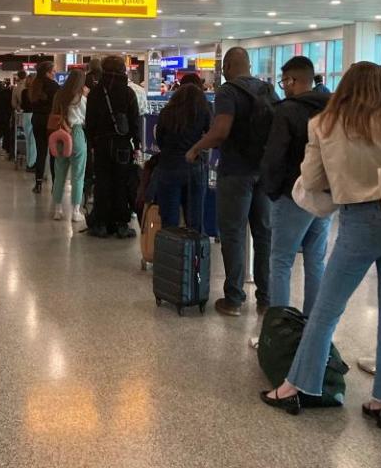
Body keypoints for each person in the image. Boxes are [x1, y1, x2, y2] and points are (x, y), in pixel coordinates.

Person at [260, 61, 381, 427]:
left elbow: (313, 179)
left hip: (358, 222)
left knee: (327, 311)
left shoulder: (325, 126)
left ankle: (297, 385)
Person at [186, 47, 279, 316]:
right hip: (263, 171)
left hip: (236, 172)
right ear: (249, 65)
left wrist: (196, 148)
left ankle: (234, 299)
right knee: (263, 234)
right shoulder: (268, 90)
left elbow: (221, 131)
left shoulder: (227, 91)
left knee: (233, 234)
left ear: (226, 67)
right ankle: (265, 299)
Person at [260, 57, 332, 317]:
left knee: (281, 261)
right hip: (325, 196)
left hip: (293, 195)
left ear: (293, 80)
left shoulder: (287, 110)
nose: (283, 87)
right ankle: (312, 325)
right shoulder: (332, 108)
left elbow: (275, 155)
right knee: (315, 262)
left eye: (284, 82)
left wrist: (272, 190)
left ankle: (280, 327)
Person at [85, 55, 141, 238]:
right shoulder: (128, 92)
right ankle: (121, 224)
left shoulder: (95, 92)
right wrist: (137, 143)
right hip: (122, 145)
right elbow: (135, 121)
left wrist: (93, 142)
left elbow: (90, 122)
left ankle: (101, 223)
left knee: (102, 183)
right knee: (121, 183)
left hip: (101, 144)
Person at [154, 83, 211, 231]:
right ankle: (195, 252)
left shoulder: (166, 112)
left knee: (169, 221)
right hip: (194, 167)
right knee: (195, 222)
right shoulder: (202, 112)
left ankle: (170, 251)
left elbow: (160, 139)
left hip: (168, 166)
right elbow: (211, 135)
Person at [50, 69, 88, 222]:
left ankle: (57, 210)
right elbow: (86, 118)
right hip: (77, 133)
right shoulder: (81, 98)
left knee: (59, 173)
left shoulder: (59, 96)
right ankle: (75, 211)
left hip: (60, 134)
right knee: (78, 175)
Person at [25, 62, 59, 194]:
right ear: (47, 72)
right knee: (53, 153)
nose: (55, 73)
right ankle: (55, 184)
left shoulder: (34, 86)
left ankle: (38, 183)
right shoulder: (54, 86)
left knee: (41, 152)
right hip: (50, 122)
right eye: (53, 71)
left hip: (37, 120)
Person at [20, 74, 38, 171]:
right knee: (33, 142)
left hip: (25, 116)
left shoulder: (24, 92)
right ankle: (31, 164)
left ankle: (29, 162)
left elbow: (22, 105)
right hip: (33, 115)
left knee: (28, 141)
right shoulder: (36, 92)